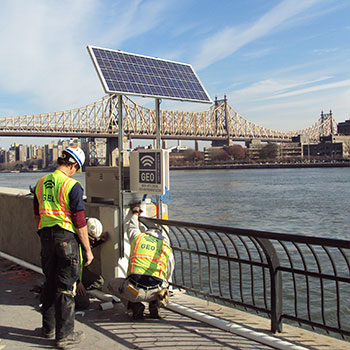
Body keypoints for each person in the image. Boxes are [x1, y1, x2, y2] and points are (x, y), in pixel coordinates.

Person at [33, 146, 93, 349]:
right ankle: (65, 335)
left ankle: (48, 329)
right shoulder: (72, 185)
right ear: (74, 165)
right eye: (77, 168)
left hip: (47, 236)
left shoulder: (41, 183)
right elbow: (79, 220)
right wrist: (87, 248)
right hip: (66, 238)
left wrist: (43, 233)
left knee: (49, 283)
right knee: (66, 287)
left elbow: (36, 214)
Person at [108, 204, 174, 320]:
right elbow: (170, 268)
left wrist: (135, 213)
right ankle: (155, 305)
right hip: (156, 291)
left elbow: (132, 228)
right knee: (163, 285)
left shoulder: (138, 238)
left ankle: (134, 306)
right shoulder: (165, 245)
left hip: (134, 290)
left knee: (112, 284)